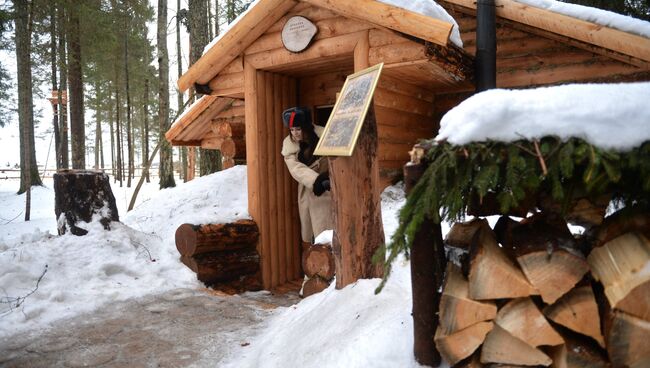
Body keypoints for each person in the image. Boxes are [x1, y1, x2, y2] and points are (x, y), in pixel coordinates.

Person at [281, 106, 332, 249]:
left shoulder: (324, 136)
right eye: (291, 130)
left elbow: (335, 158)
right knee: (315, 235)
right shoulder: (289, 147)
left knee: (329, 229)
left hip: (329, 188)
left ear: (305, 127)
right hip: (309, 188)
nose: (295, 133)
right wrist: (316, 180)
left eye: (298, 129)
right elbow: (296, 169)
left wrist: (327, 177)